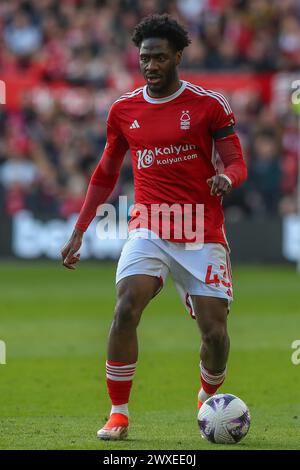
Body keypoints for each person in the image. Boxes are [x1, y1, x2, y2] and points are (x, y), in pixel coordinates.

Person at [61, 14, 247, 441]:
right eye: (145, 58)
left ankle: (208, 396)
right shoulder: (124, 110)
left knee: (214, 332)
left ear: (178, 56)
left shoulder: (208, 105)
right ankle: (118, 414)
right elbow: (105, 173)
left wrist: (227, 179)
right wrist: (80, 229)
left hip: (201, 229)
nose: (151, 65)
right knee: (126, 305)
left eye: (160, 57)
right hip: (149, 224)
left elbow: (236, 161)